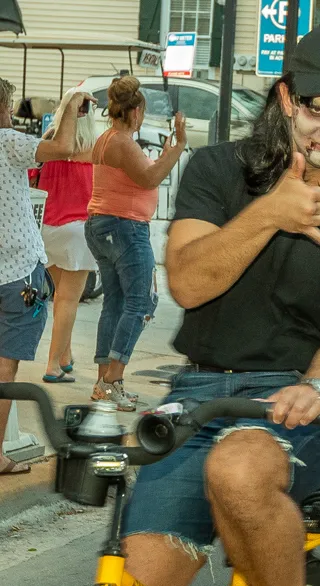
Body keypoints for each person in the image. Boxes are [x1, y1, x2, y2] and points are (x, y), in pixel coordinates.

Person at [120, 24, 320, 586]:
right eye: (315, 109)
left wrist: (319, 385)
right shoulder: (216, 170)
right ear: (285, 98)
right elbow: (189, 282)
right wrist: (270, 214)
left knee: (239, 470)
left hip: (303, 401)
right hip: (198, 395)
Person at [0, 77, 92, 475]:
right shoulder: (7, 141)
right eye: (8, 106)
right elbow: (63, 148)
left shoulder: (15, 144)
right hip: (17, 273)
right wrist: (70, 104)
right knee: (5, 369)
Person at [84, 76, 187, 410]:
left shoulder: (108, 139)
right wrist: (179, 147)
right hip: (125, 227)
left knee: (115, 303)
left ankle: (104, 383)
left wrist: (167, 154)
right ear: (136, 111)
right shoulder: (123, 143)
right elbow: (151, 178)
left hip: (104, 225)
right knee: (142, 302)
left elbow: (142, 174)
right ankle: (112, 379)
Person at [36, 88, 99, 384]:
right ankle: (53, 365)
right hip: (78, 230)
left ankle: (65, 355)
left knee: (59, 297)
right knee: (68, 300)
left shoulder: (49, 143)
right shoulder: (94, 150)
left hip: (46, 228)